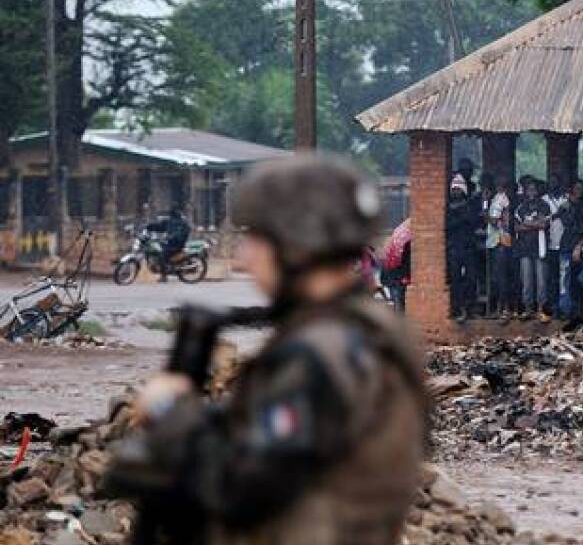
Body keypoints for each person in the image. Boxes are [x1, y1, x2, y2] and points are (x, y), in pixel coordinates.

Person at [106, 155, 428, 545]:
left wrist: (168, 412)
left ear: (296, 245)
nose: (244, 256)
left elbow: (244, 485)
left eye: (256, 238)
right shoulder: (372, 331)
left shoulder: (321, 353)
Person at [514, 179, 551, 322]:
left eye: (533, 190)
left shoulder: (544, 206)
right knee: (526, 281)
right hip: (524, 249)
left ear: (538, 191)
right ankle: (528, 309)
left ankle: (541, 310)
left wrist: (527, 224)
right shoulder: (520, 208)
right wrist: (534, 224)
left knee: (542, 281)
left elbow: (543, 225)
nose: (531, 192)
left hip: (540, 248)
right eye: (528, 190)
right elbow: (517, 227)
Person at [446, 174, 480, 323]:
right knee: (455, 280)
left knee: (471, 279)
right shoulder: (448, 208)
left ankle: (470, 308)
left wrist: (462, 213)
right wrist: (460, 216)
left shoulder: (470, 206)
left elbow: (474, 222)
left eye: (458, 190)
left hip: (468, 247)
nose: (455, 192)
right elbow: (448, 226)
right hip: (454, 248)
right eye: (453, 190)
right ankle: (458, 309)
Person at [558, 178, 583, 322]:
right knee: (564, 281)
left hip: (581, 244)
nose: (579, 191)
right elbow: (570, 225)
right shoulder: (564, 206)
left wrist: (579, 246)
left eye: (581, 189)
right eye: (576, 188)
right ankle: (566, 312)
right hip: (566, 246)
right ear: (571, 190)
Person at [487, 180, 514, 322]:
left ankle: (504, 309)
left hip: (500, 242)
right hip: (497, 242)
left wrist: (484, 209)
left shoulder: (500, 199)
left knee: (501, 278)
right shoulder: (498, 199)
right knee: (499, 277)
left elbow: (493, 221)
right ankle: (501, 308)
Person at [543, 174, 569, 314]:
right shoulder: (544, 200)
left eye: (555, 182)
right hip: (549, 245)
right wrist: (557, 214)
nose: (553, 185)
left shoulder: (566, 199)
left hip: (565, 244)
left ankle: (564, 307)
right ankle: (554, 308)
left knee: (564, 278)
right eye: (551, 182)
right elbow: (542, 221)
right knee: (552, 278)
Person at [146, 204, 192, 281]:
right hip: (170, 243)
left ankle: (164, 276)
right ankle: (159, 266)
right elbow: (159, 226)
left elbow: (181, 233)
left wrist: (173, 237)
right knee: (158, 249)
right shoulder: (170, 222)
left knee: (161, 255)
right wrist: (148, 227)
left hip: (176, 245)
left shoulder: (181, 223)